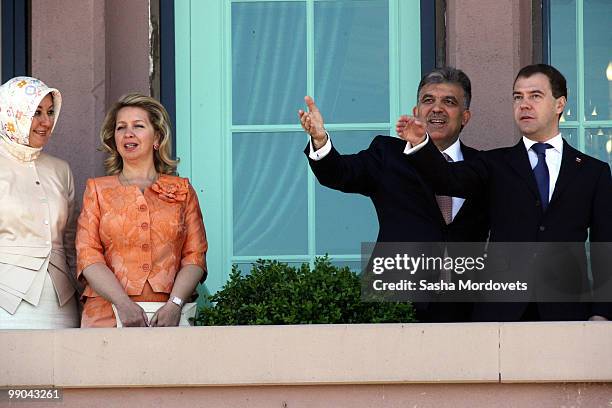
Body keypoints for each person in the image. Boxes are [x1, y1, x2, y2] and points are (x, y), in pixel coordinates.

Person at [399, 64, 612, 321]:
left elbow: (605, 247)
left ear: (559, 104)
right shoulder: (494, 164)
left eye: (535, 95)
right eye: (517, 97)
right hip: (500, 312)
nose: (524, 104)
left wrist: (601, 312)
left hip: (568, 311)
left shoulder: (593, 172)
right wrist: (422, 144)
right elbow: (448, 180)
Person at [298, 67, 489, 322]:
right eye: (428, 100)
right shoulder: (388, 154)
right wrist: (320, 140)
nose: (437, 108)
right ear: (416, 111)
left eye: (449, 102)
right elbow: (340, 173)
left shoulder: (484, 165)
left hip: (468, 306)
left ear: (465, 116)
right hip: (393, 300)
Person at [76, 94, 207, 327]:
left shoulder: (183, 190)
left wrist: (174, 305)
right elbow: (88, 256)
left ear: (157, 137)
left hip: (168, 317)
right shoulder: (96, 190)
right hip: (105, 314)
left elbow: (194, 257)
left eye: (138, 126)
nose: (128, 133)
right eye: (121, 127)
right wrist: (122, 303)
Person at [0, 76, 80, 329]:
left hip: (61, 302)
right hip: (6, 299)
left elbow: (71, 242)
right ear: (13, 113)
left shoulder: (61, 170)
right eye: (36, 112)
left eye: (50, 112)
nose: (46, 122)